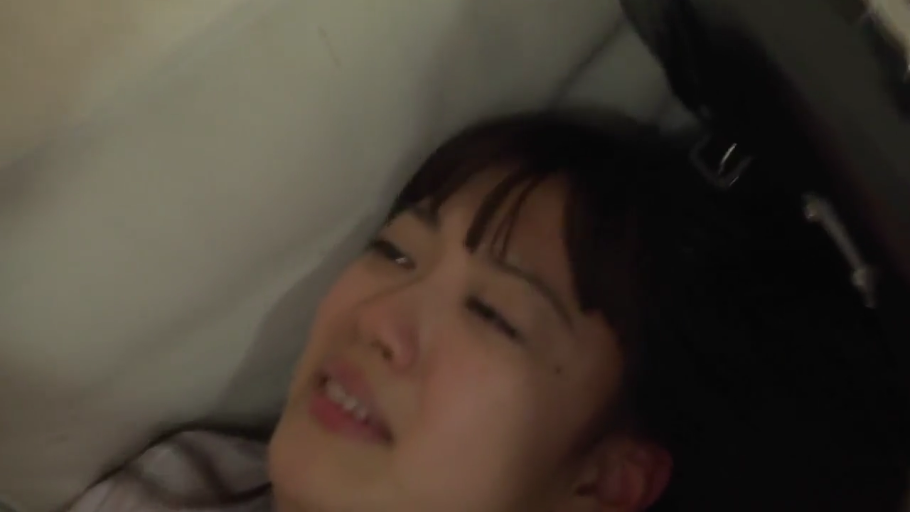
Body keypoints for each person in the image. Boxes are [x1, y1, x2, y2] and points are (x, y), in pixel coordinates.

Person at [67, 110, 910, 512]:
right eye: (395, 253)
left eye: (494, 316)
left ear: (604, 483)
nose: (379, 321)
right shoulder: (182, 485)